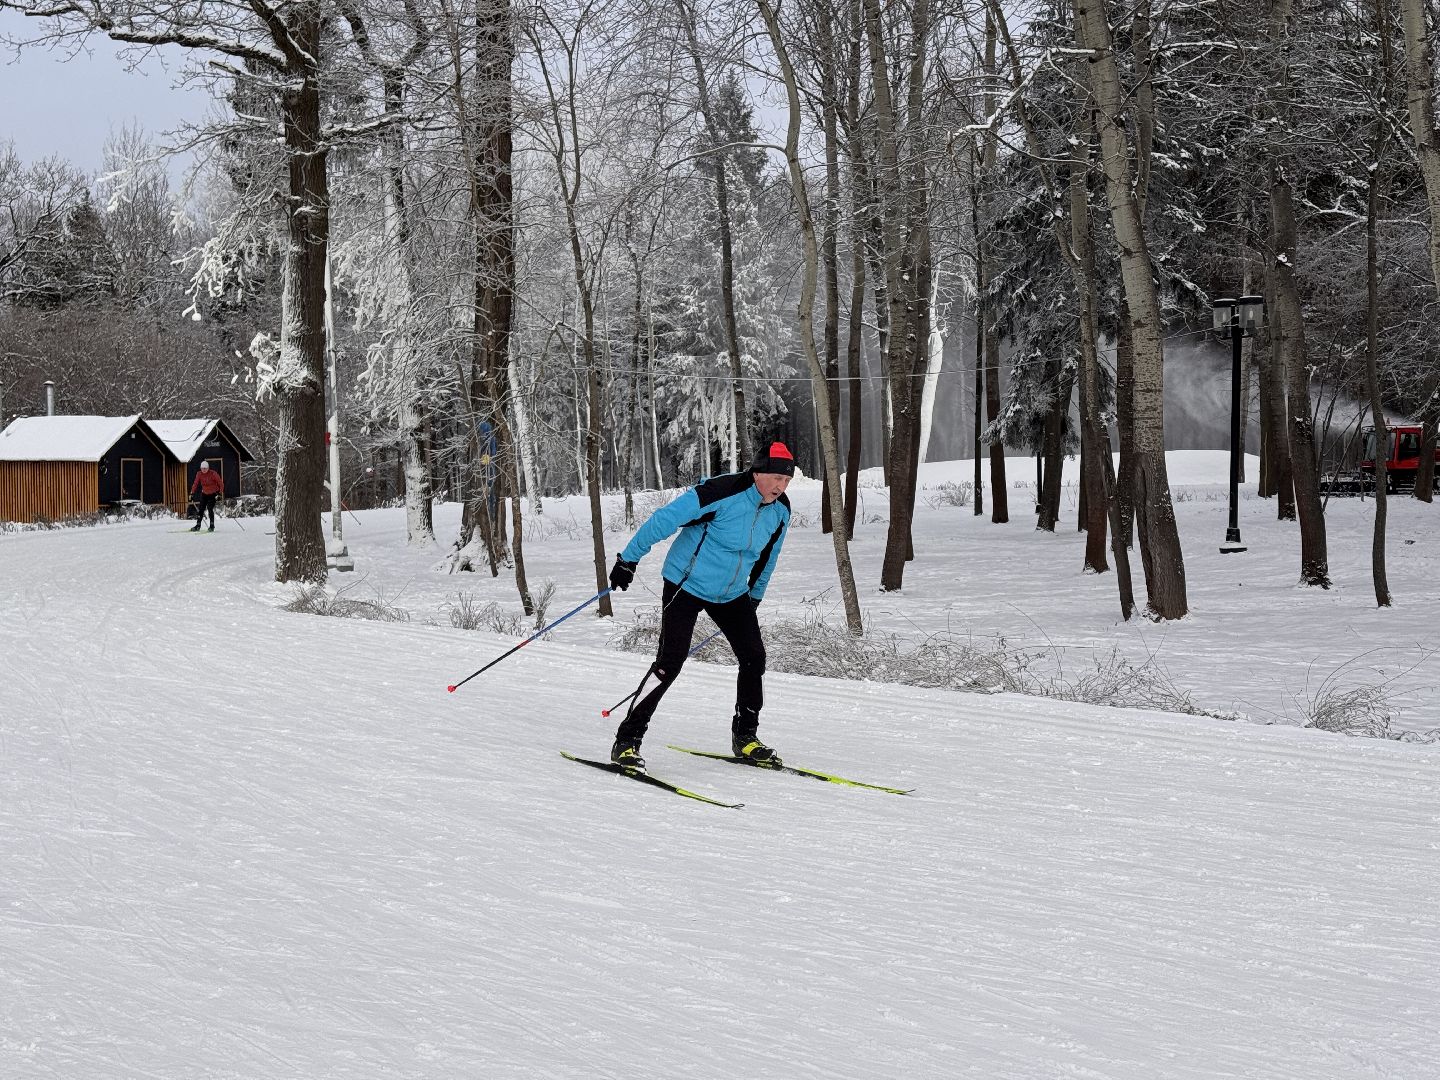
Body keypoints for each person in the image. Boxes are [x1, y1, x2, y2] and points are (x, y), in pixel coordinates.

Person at [606, 441, 796, 771]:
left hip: (732, 593)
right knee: (670, 662)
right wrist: (629, 559)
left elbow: (767, 558)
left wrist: (754, 596)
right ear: (757, 473)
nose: (780, 486)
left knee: (753, 657)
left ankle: (746, 738)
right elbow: (665, 519)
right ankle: (627, 741)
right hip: (686, 583)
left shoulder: (780, 512)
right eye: (776, 478)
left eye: (787, 481)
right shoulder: (720, 492)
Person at [189, 461, 224, 532]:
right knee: (201, 509)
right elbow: (195, 484)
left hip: (213, 493)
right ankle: (198, 525)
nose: (203, 470)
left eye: (205, 468)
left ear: (208, 468)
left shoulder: (213, 473)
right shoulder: (199, 474)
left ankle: (211, 526)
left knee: (210, 508)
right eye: (202, 468)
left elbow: (221, 483)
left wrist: (220, 493)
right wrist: (192, 493)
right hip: (204, 493)